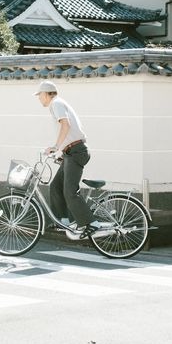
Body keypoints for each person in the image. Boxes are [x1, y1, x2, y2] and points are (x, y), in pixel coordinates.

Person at [34, 80, 110, 239]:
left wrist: (55, 146)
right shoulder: (58, 104)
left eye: (39, 95)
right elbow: (69, 131)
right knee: (56, 186)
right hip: (71, 152)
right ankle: (64, 221)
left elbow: (66, 125)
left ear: (47, 93)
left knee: (70, 192)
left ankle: (91, 224)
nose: (39, 98)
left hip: (76, 151)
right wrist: (61, 152)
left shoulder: (56, 103)